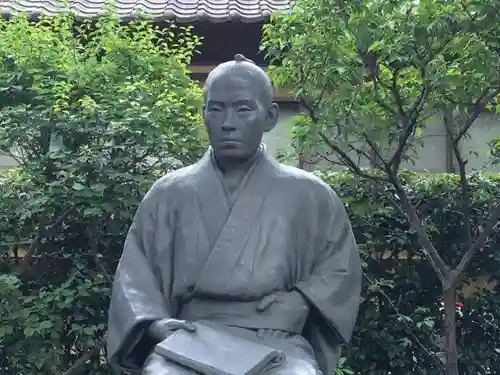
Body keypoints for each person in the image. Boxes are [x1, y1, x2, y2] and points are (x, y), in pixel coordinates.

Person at [106, 54, 362, 375]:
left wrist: (302, 301)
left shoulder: (311, 194)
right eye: (216, 109)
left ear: (269, 117)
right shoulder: (168, 193)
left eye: (243, 109)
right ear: (204, 116)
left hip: (276, 339)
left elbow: (339, 268)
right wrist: (157, 325)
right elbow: (135, 275)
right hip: (190, 336)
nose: (228, 122)